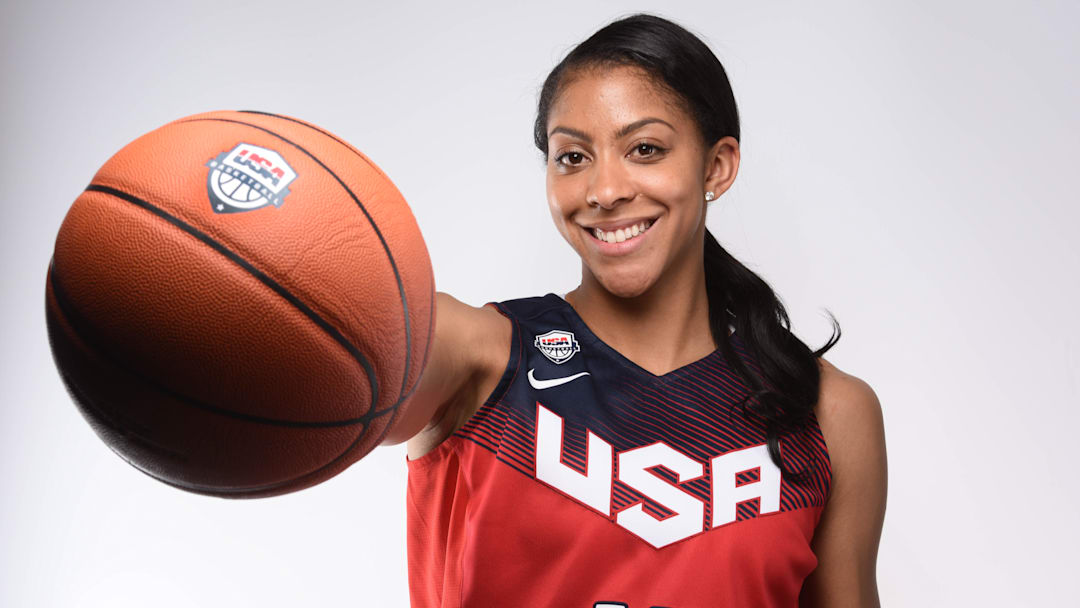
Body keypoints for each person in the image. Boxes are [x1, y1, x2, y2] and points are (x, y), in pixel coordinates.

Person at [380, 13, 887, 608]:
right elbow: (336, 347)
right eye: (572, 157)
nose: (605, 190)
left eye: (644, 149)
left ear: (715, 167)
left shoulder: (825, 411)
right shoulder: (477, 357)